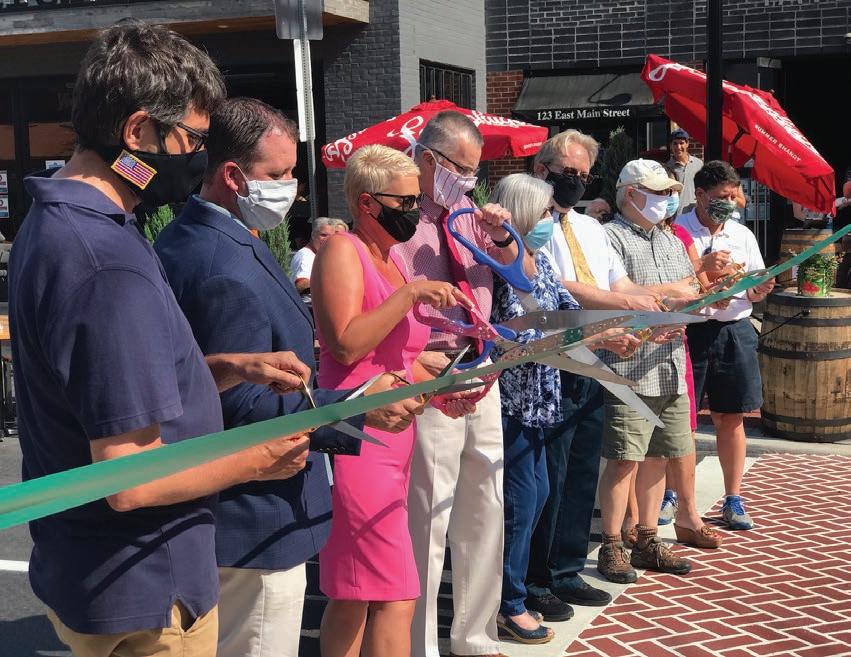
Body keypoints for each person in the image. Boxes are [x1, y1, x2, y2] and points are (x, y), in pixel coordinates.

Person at [8, 22, 315, 657]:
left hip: (99, 573)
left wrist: (221, 368)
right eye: (193, 139)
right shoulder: (106, 259)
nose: (198, 157)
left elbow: (103, 390)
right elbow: (131, 478)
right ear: (138, 132)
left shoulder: (58, 220)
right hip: (149, 591)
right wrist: (258, 459)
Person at [155, 98, 423, 657]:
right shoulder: (221, 263)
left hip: (240, 510)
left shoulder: (205, 236)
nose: (291, 189)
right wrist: (353, 408)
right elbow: (243, 405)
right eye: (277, 175)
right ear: (233, 176)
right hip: (253, 515)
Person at [312, 144, 474, 657]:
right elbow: (345, 345)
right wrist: (410, 296)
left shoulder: (393, 260)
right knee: (395, 592)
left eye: (415, 201)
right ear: (367, 202)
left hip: (392, 441)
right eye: (404, 203)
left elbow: (399, 359)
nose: (414, 212)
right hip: (358, 440)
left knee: (355, 593)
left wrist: (443, 389)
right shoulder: (343, 250)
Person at [524, 129, 686, 622]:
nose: (575, 181)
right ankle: (536, 579)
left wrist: (653, 306)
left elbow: (620, 281)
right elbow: (559, 286)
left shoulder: (590, 228)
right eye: (567, 172)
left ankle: (567, 569)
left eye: (583, 174)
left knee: (579, 473)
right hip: (554, 362)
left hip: (600, 359)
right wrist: (624, 303)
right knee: (549, 478)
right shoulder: (530, 223)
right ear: (542, 170)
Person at [393, 110, 516, 657]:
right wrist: (415, 366)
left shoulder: (470, 216)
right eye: (460, 168)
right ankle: (418, 645)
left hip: (482, 367)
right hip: (431, 370)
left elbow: (522, 274)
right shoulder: (399, 216)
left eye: (474, 171)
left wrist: (503, 235)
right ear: (428, 160)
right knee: (429, 515)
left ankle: (476, 638)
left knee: (486, 507)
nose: (468, 180)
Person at [597, 159, 713, 584]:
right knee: (623, 458)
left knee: (659, 455)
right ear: (630, 193)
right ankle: (612, 542)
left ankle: (647, 538)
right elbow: (609, 293)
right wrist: (673, 292)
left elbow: (690, 291)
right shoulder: (609, 236)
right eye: (658, 192)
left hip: (670, 363)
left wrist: (711, 295)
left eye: (668, 193)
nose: (666, 199)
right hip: (628, 366)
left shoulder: (669, 238)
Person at [488, 174, 587, 645]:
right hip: (510, 399)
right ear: (524, 212)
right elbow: (507, 331)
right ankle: (507, 603)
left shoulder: (540, 259)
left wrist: (611, 331)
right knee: (520, 502)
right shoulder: (497, 264)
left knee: (537, 494)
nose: (551, 218)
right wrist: (560, 338)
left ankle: (516, 591)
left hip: (539, 400)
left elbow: (568, 312)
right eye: (546, 211)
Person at [675, 161, 775, 531]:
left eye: (733, 197)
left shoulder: (741, 234)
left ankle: (733, 497)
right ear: (700, 195)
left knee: (731, 417)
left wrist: (758, 290)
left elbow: (753, 283)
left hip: (734, 330)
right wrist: (703, 271)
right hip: (691, 331)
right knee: (680, 421)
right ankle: (673, 494)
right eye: (721, 197)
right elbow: (669, 284)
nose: (729, 204)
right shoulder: (677, 231)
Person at [291, 217, 337, 293]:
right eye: (323, 235)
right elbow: (301, 284)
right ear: (313, 235)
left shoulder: (319, 255)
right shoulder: (305, 255)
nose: (327, 239)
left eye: (331, 237)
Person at [665, 128, 703, 214]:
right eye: (675, 143)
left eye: (681, 143)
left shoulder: (699, 164)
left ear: (687, 144)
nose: (678, 147)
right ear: (671, 145)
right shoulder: (667, 168)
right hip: (677, 215)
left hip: (696, 213)